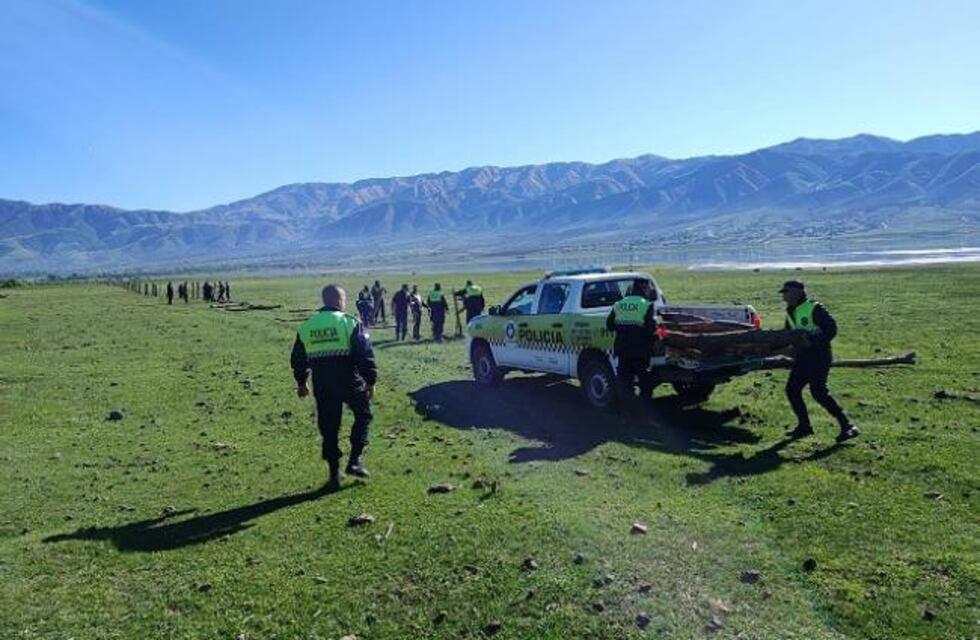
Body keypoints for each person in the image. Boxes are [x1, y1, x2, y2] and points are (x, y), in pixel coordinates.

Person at [291, 285, 377, 490]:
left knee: (329, 428)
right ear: (339, 301)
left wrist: (302, 383)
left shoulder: (307, 327)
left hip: (322, 384)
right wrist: (371, 381)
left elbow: (297, 359)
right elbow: (364, 355)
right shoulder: (349, 323)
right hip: (349, 380)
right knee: (363, 416)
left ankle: (333, 474)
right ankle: (354, 461)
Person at [780, 280, 860, 442]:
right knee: (792, 390)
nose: (784, 296)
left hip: (819, 356)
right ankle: (804, 426)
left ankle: (848, 426)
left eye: (786, 292)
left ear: (796, 292)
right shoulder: (790, 311)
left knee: (818, 392)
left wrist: (812, 341)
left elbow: (831, 329)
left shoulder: (815, 308)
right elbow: (789, 334)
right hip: (803, 358)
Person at [606, 279, 659, 418]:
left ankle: (625, 414)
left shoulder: (619, 304)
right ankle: (642, 413)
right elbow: (651, 329)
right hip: (640, 352)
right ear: (643, 288)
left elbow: (610, 325)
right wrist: (660, 334)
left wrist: (623, 328)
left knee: (625, 383)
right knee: (645, 384)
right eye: (648, 288)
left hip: (623, 351)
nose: (649, 291)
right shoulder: (646, 305)